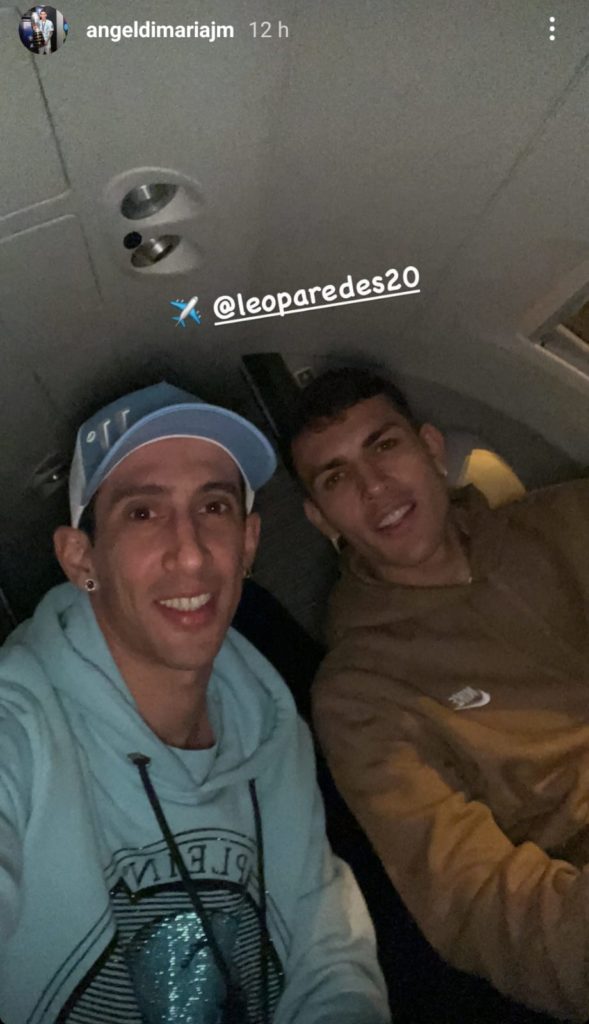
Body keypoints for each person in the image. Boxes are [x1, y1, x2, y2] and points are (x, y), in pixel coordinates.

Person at [0, 380, 389, 1024]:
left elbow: (327, 955)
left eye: (213, 507)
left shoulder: (275, 732)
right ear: (80, 558)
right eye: (143, 513)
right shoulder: (19, 721)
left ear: (249, 542)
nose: (189, 552)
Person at [288, 366, 589, 1023]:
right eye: (336, 478)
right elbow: (474, 899)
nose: (374, 487)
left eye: (383, 445)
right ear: (319, 518)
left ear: (431, 447)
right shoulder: (359, 694)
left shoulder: (570, 518)